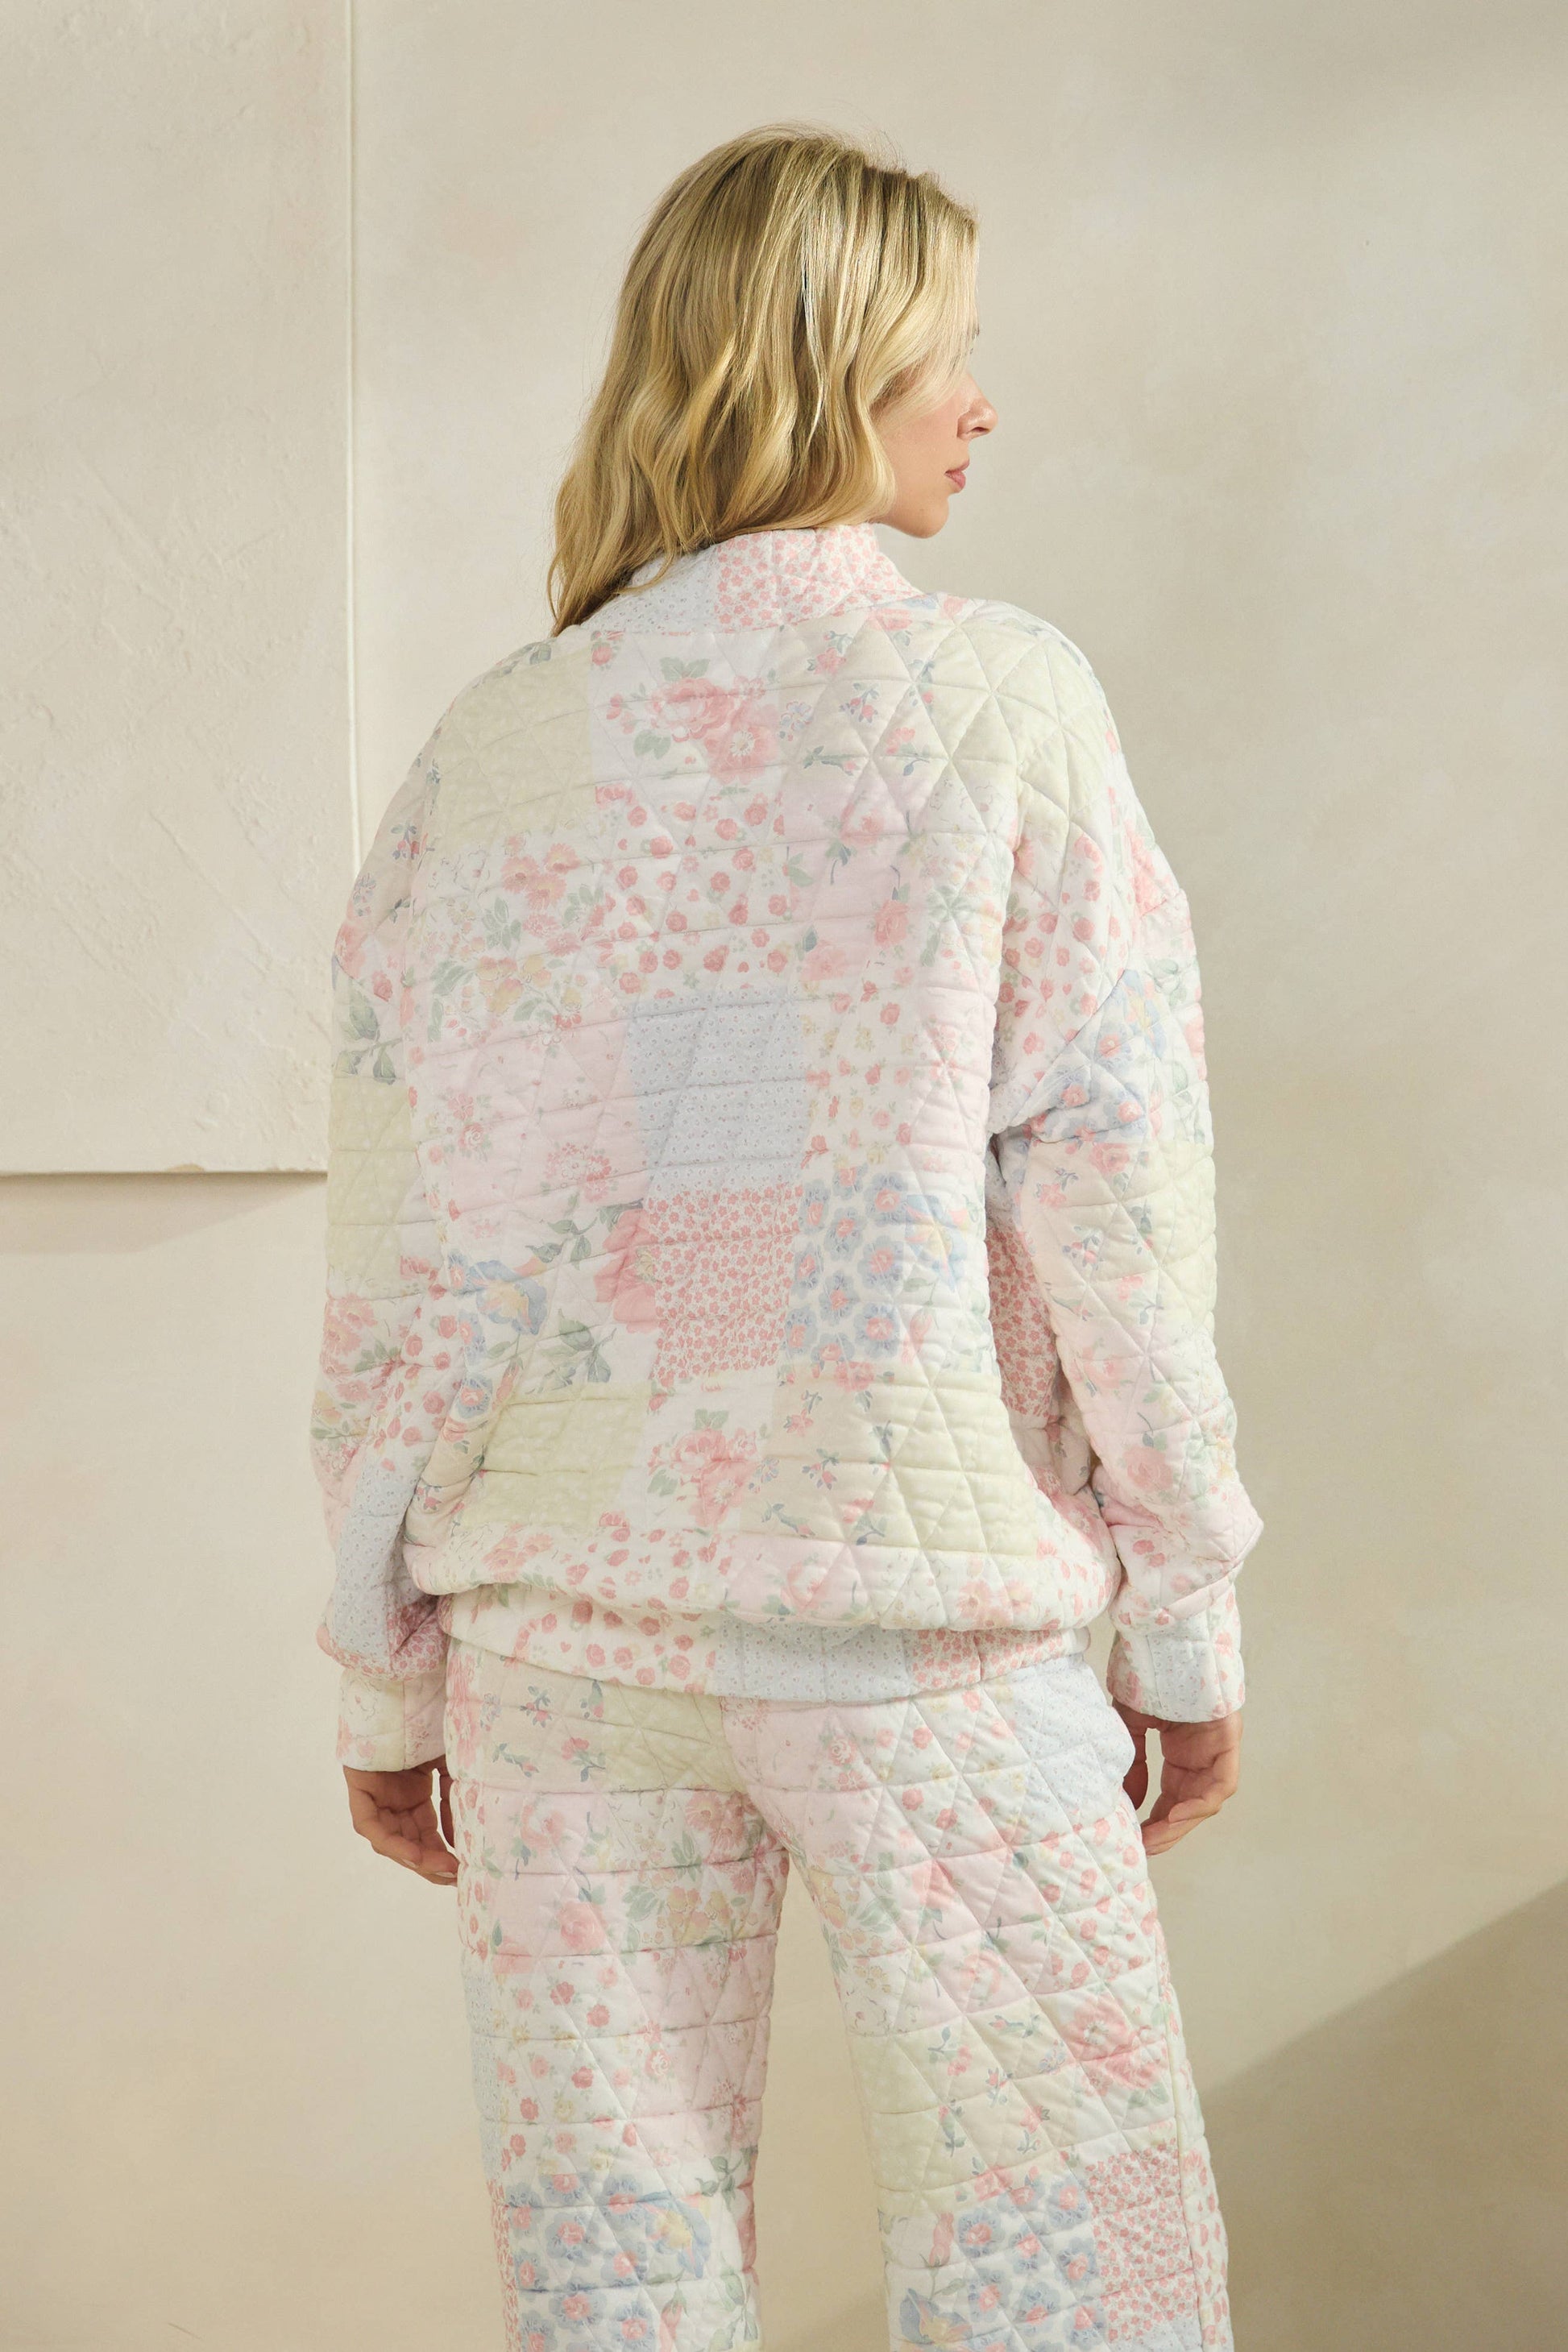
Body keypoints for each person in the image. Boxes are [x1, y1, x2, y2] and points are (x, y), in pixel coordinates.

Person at [313, 122, 1262, 2352]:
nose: (981, 403)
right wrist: (1186, 1613)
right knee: (1073, 2290)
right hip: (918, 1635)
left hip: (563, 1651)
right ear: (830, 368)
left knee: (614, 2293)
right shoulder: (1001, 702)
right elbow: (1115, 1199)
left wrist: (382, 1659)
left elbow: (409, 1260)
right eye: (948, 353)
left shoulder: (493, 753)